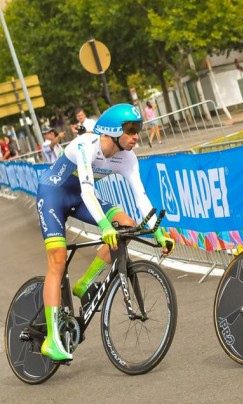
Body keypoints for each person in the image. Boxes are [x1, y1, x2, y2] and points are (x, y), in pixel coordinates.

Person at [36, 103, 175, 361]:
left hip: (79, 198)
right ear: (111, 131)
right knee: (57, 261)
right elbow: (88, 191)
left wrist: (158, 233)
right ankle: (52, 339)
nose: (136, 136)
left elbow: (141, 197)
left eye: (138, 129)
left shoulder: (127, 157)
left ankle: (85, 282)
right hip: (53, 194)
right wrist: (104, 227)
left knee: (127, 224)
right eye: (131, 130)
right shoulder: (85, 146)